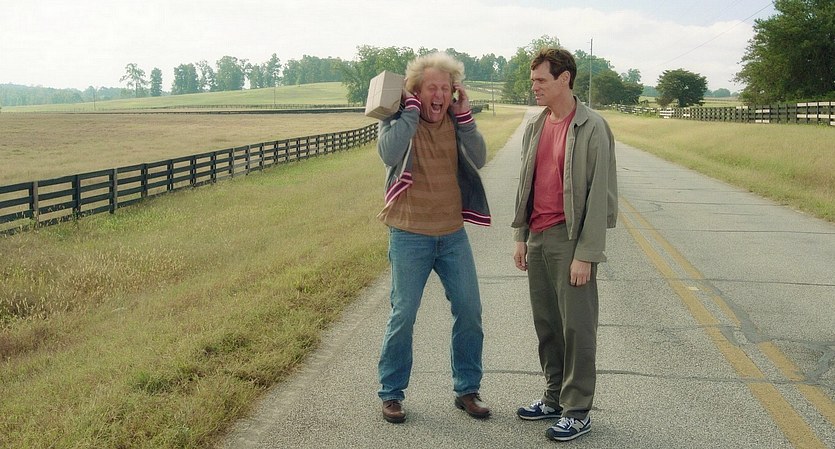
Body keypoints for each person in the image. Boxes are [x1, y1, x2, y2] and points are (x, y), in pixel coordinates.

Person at [375, 52, 491, 424]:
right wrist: (409, 113)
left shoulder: (457, 122)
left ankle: (467, 389)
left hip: (452, 236)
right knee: (404, 314)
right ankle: (392, 393)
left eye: (446, 88)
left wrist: (466, 117)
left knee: (470, 311)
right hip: (409, 234)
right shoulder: (397, 120)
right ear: (416, 91)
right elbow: (388, 154)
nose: (439, 95)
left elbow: (480, 157)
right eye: (431, 88)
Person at [511, 47, 618, 442]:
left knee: (577, 329)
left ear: (565, 79)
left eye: (541, 80)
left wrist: (586, 254)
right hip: (538, 237)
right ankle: (553, 397)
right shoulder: (536, 124)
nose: (534, 87)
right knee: (547, 325)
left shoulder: (592, 127)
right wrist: (521, 235)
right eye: (533, 80)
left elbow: (600, 194)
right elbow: (525, 183)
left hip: (571, 240)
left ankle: (577, 411)